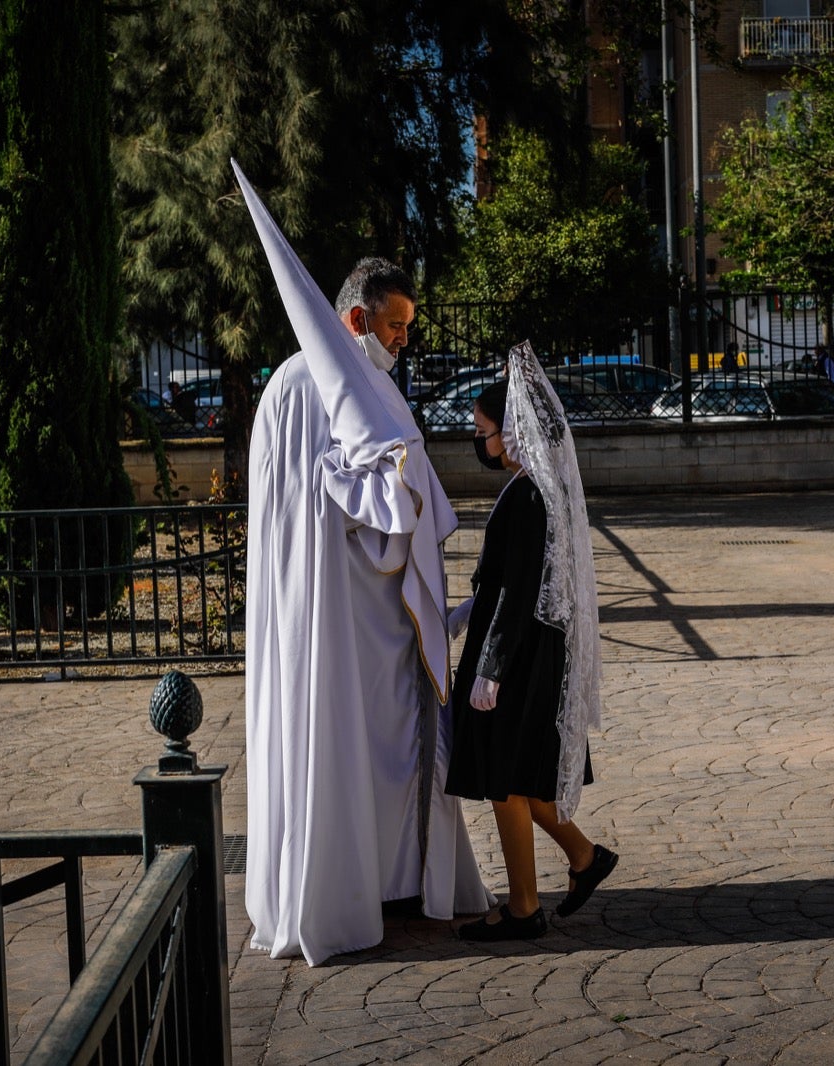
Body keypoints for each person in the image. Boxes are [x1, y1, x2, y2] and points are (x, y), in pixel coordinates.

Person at [233, 163, 493, 966]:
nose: (404, 340)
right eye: (395, 326)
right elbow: (325, 503)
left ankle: (397, 878)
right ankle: (348, 892)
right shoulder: (303, 384)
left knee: (389, 754)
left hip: (381, 620)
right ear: (353, 316)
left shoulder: (366, 383)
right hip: (333, 615)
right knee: (337, 746)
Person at [446, 343, 618, 941]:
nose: (481, 441)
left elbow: (521, 590)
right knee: (519, 779)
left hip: (515, 656)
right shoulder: (535, 488)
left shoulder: (528, 495)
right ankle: (584, 860)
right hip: (525, 649)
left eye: (485, 430)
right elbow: (516, 581)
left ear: (511, 431)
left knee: (505, 781)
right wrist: (467, 611)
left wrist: (490, 667)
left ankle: (524, 907)